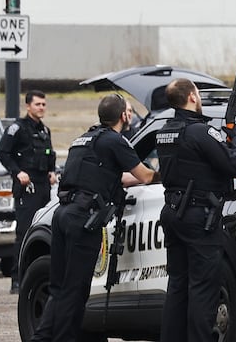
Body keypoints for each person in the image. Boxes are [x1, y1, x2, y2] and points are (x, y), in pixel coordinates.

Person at [29, 94, 158, 342]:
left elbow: (112, 176)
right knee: (76, 290)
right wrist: (168, 174)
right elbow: (145, 176)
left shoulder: (83, 139)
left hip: (62, 214)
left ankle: (42, 338)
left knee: (59, 287)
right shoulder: (115, 141)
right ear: (123, 116)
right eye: (128, 112)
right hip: (83, 220)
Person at [156, 78, 236, 342]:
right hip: (198, 216)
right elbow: (234, 165)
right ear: (192, 97)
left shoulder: (165, 131)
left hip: (173, 212)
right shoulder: (199, 132)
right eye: (198, 93)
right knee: (203, 289)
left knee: (178, 286)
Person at [0, 90, 57, 294]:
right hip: (27, 188)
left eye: (44, 104)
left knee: (44, 231)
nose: (41, 108)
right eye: (38, 104)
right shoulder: (17, 128)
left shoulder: (45, 130)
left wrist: (51, 172)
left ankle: (39, 276)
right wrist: (17, 172)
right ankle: (17, 279)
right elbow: (1, 152)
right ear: (28, 106)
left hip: (43, 187)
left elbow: (49, 155)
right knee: (24, 233)